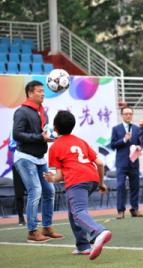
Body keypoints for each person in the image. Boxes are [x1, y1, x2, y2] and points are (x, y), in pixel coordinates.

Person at [44, 111, 111, 260]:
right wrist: (100, 183)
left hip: (77, 181)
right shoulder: (81, 141)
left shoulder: (54, 147)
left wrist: (51, 179)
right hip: (92, 178)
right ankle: (83, 245)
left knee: (78, 211)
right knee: (73, 211)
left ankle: (98, 232)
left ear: (55, 128)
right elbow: (100, 163)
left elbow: (60, 175)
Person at [12, 80, 63, 242]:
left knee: (50, 191)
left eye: (43, 91)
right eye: (39, 91)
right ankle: (32, 231)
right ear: (30, 93)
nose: (43, 93)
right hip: (25, 158)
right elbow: (17, 134)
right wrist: (39, 137)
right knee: (35, 191)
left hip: (40, 159)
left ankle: (46, 228)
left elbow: (43, 132)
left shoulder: (42, 111)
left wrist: (50, 137)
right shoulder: (22, 112)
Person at [110, 106, 143, 219]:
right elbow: (112, 145)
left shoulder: (137, 129)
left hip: (134, 162)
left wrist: (139, 148)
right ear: (122, 115)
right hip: (121, 163)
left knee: (135, 186)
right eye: (126, 114)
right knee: (120, 186)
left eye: (130, 113)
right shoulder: (116, 129)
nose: (128, 115)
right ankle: (120, 210)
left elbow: (141, 143)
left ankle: (135, 209)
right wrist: (124, 140)